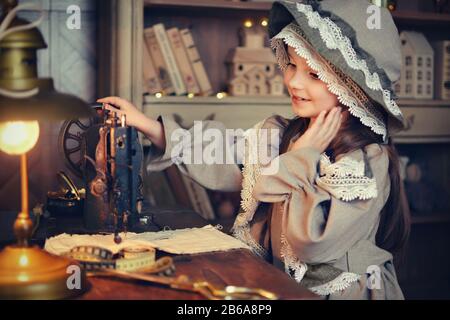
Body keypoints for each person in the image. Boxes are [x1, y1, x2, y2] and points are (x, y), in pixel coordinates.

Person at [98, 0, 411, 299]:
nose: (294, 82)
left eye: (314, 74)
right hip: (279, 286)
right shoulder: (282, 134)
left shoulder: (365, 163)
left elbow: (311, 244)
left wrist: (301, 160)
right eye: (291, 64)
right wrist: (149, 126)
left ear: (352, 88)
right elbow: (221, 153)